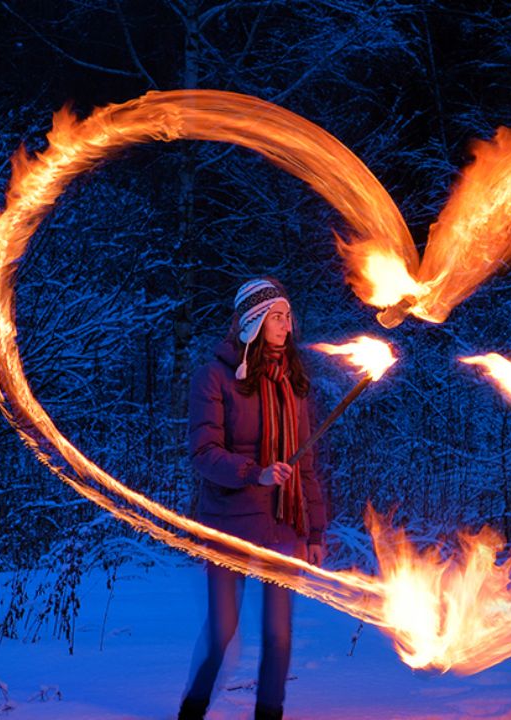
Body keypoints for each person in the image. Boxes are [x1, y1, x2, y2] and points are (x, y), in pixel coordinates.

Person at [180, 278, 327, 720]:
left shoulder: (294, 384)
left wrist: (316, 529)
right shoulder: (215, 377)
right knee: (223, 630)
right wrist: (254, 473)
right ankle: (192, 710)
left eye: (288, 316)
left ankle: (269, 713)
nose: (287, 325)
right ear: (253, 322)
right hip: (230, 521)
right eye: (277, 317)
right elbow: (203, 454)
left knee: (279, 634)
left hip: (284, 525)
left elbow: (306, 467)